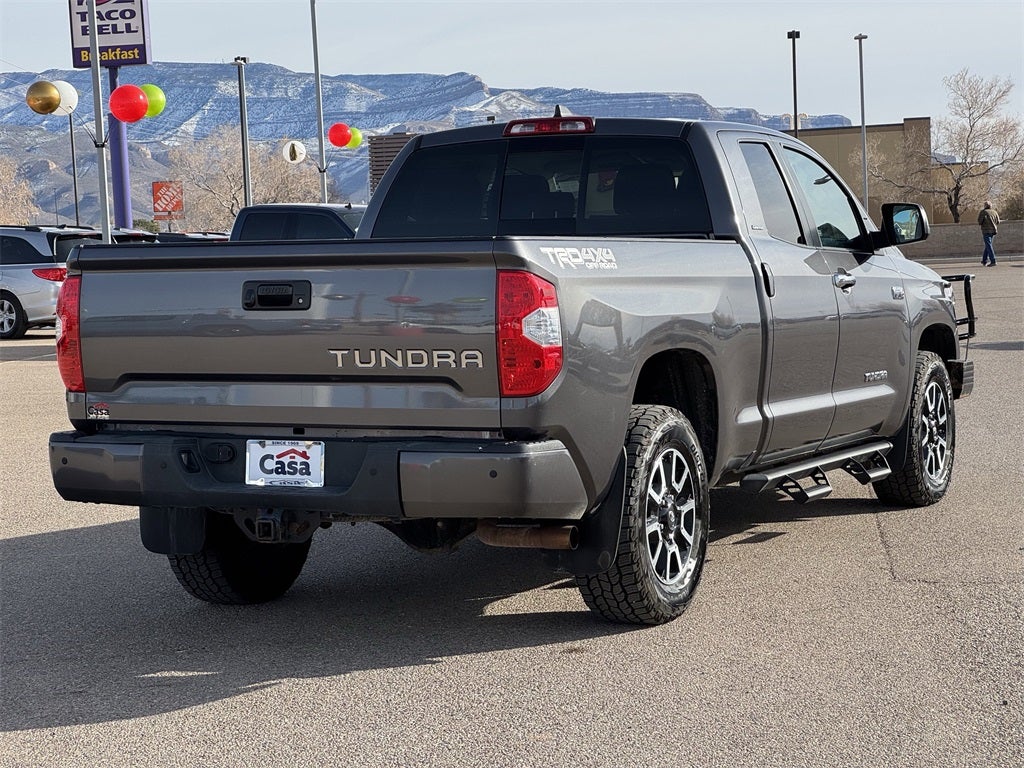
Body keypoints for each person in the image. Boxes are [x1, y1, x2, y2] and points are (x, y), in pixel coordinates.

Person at [978, 201, 1000, 266]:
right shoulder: (994, 212)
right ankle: (984, 260)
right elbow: (998, 221)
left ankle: (993, 260)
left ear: (985, 206)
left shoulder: (983, 212)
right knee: (988, 245)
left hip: (986, 231)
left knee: (988, 245)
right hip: (993, 231)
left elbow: (980, 221)